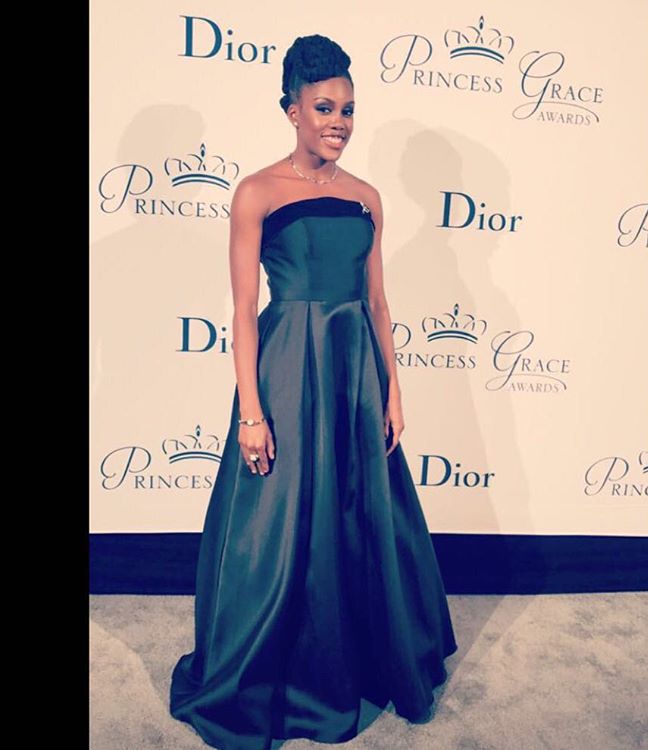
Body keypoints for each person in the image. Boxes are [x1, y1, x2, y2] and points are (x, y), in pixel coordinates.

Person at [169, 33, 458, 750]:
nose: (338, 122)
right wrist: (251, 411)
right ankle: (271, 670)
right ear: (292, 110)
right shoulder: (257, 192)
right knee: (276, 529)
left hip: (354, 370)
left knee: (358, 519)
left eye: (348, 110)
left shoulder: (366, 198)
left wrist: (393, 391)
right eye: (324, 107)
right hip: (288, 371)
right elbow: (242, 310)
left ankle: (357, 658)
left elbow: (378, 302)